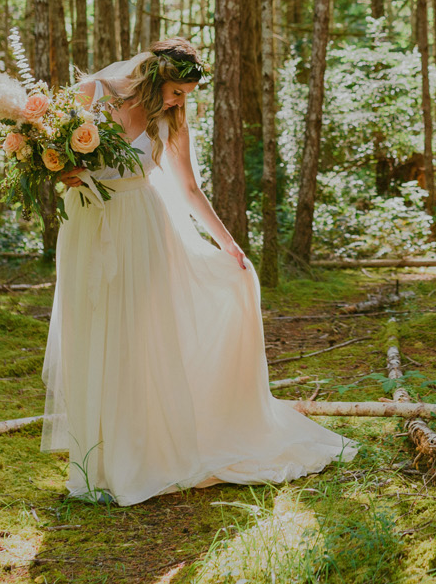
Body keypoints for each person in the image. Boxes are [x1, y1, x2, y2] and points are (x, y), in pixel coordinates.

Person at [38, 37, 359, 505]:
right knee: (90, 331)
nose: (180, 100)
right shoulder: (91, 93)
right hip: (88, 224)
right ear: (153, 76)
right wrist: (58, 171)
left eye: (186, 94)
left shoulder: (169, 123)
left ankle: (138, 456)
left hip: (142, 230)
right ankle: (94, 463)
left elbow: (188, 189)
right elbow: (44, 147)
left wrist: (229, 245)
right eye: (177, 90)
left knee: (135, 337)